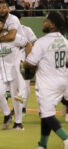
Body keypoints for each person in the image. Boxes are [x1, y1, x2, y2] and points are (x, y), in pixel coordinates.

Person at [24, 12, 68, 149]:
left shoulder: (42, 42)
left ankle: (66, 140)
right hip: (63, 80)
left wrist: (24, 65)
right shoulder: (65, 41)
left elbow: (30, 62)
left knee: (47, 115)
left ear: (53, 25)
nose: (44, 22)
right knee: (46, 113)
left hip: (48, 83)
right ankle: (42, 145)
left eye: (46, 21)